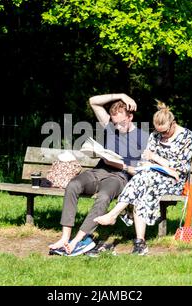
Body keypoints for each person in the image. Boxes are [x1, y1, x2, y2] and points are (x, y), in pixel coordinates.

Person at [48, 93, 149, 256]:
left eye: (121, 123)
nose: (117, 127)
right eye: (115, 123)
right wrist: (122, 95)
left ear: (130, 116)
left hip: (119, 176)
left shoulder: (143, 137)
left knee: (103, 196)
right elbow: (93, 101)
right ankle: (65, 237)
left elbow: (142, 171)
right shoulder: (110, 126)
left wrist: (121, 165)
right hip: (98, 171)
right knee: (73, 185)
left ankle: (78, 240)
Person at [94, 101, 192, 255]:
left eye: (165, 132)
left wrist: (156, 158)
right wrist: (152, 163)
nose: (161, 135)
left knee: (143, 179)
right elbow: (147, 160)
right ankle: (139, 243)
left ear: (173, 124)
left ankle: (113, 214)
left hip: (174, 181)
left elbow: (180, 167)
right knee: (143, 182)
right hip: (151, 176)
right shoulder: (155, 135)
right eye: (158, 132)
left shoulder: (187, 136)